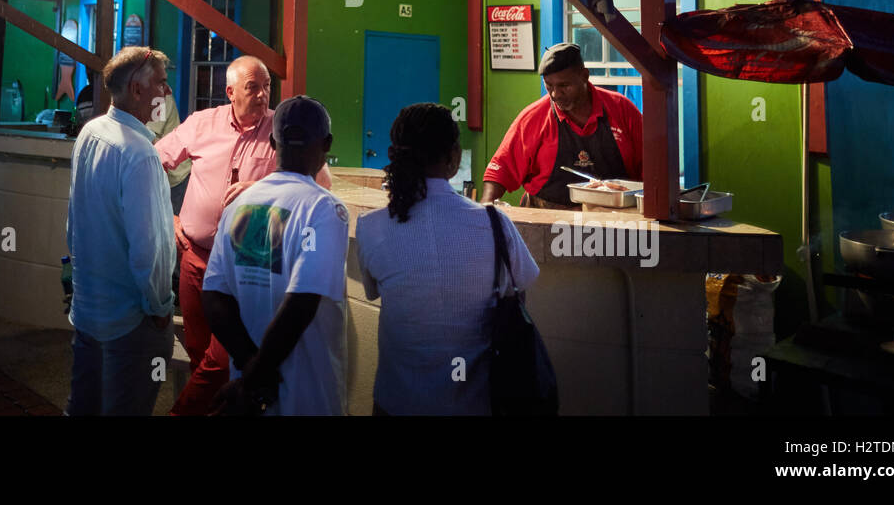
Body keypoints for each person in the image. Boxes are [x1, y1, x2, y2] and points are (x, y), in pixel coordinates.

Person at [154, 55, 333, 415]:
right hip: (194, 256)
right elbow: (154, 161)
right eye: (253, 87)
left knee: (221, 360)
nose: (264, 95)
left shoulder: (280, 130)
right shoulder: (203, 123)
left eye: (267, 87)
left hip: (246, 265)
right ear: (230, 91)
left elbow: (321, 182)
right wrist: (168, 218)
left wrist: (260, 186)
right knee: (198, 353)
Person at [357, 103, 539, 415]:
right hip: (474, 404)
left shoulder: (371, 228)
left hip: (395, 402)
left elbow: (374, 291)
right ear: (454, 158)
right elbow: (522, 286)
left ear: (394, 155)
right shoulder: (495, 225)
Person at [203, 96, 349, 415]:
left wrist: (247, 367)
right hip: (306, 394)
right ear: (327, 144)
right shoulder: (324, 208)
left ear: (272, 142)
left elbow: (214, 296)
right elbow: (301, 303)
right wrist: (259, 374)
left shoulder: (239, 206)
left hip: (254, 396)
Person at [65, 46, 175, 416]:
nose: (166, 92)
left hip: (89, 310)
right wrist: (160, 307)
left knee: (83, 407)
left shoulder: (91, 132)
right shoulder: (140, 155)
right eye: (160, 83)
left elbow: (74, 223)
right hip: (130, 321)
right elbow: (149, 248)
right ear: (137, 90)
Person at [483, 42, 643, 210]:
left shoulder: (621, 109)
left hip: (615, 219)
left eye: (564, 86)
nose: (555, 94)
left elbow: (653, 166)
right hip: (546, 218)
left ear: (584, 76)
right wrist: (485, 211)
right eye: (549, 85)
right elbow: (500, 171)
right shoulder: (534, 118)